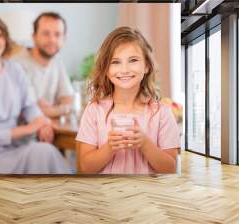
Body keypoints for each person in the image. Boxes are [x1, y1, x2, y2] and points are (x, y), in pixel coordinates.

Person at [0, 13, 71, 174]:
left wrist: (40, 122)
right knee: (44, 153)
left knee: (45, 152)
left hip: (22, 146)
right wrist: (29, 129)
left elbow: (29, 105)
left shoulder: (14, 70)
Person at [76, 27, 180, 174]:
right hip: (106, 194)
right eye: (115, 62)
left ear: (147, 66)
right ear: (106, 69)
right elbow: (86, 167)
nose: (124, 69)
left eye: (133, 60)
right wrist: (110, 147)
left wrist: (144, 143)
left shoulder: (161, 113)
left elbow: (170, 168)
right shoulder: (95, 110)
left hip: (148, 195)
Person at [12, 12, 74, 118]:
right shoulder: (16, 65)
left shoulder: (57, 61)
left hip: (50, 127)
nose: (52, 40)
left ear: (64, 39)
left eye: (57, 34)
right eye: (46, 33)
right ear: (34, 37)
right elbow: (25, 112)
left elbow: (68, 98)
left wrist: (51, 109)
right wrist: (61, 109)